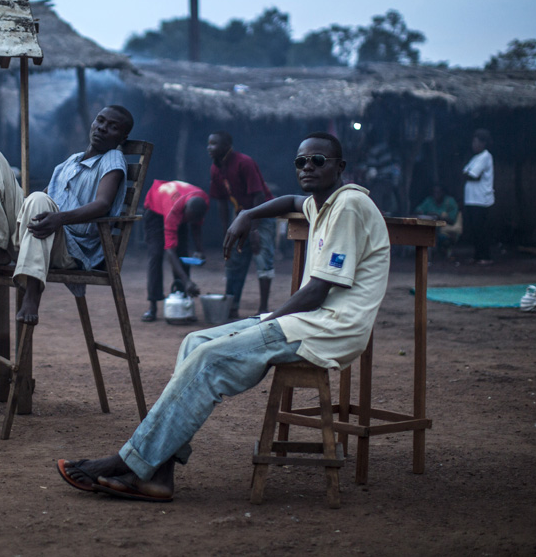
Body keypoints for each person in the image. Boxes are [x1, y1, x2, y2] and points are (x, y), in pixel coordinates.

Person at [56, 132, 390, 503]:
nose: (307, 167)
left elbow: (319, 288)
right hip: (308, 320)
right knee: (194, 341)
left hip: (330, 327)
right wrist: (248, 212)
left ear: (340, 167)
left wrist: (268, 320)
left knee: (208, 358)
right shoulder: (321, 203)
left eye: (318, 161)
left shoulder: (348, 206)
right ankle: (160, 473)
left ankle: (128, 460)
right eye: (301, 162)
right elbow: (293, 200)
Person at [0, 105, 133, 325]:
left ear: (122, 137)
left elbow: (102, 204)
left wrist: (60, 218)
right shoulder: (71, 161)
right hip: (36, 233)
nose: (103, 128)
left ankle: (33, 292)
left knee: (38, 201)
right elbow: (46, 196)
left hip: (69, 249)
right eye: (100, 121)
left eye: (113, 127)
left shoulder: (112, 159)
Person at [207, 131, 276, 318]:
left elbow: (259, 196)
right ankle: (232, 305)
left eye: (214, 144)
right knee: (234, 261)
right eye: (209, 144)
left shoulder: (244, 162)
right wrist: (226, 231)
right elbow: (221, 201)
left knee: (262, 257)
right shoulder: (216, 168)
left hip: (263, 213)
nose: (209, 148)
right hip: (241, 216)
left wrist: (254, 230)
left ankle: (263, 308)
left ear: (226, 146)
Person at [141, 180, 209, 322]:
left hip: (178, 207)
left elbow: (196, 226)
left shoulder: (202, 201)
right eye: (188, 218)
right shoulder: (173, 211)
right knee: (156, 255)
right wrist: (187, 280)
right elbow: (170, 251)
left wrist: (200, 250)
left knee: (183, 255)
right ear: (184, 212)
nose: (190, 221)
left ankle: (184, 304)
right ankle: (152, 306)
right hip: (155, 210)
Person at [462, 129, 495, 265]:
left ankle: (485, 256)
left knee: (481, 229)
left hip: (481, 199)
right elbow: (465, 172)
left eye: (476, 142)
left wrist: (468, 174)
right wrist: (467, 174)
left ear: (483, 143)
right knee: (474, 229)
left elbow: (472, 175)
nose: (473, 144)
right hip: (472, 199)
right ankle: (477, 255)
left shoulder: (486, 156)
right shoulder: (476, 157)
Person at [415, 184, 461, 258]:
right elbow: (418, 210)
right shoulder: (429, 200)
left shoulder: (450, 201)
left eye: (438, 192)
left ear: (443, 193)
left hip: (446, 230)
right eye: (434, 192)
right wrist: (425, 213)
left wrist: (439, 217)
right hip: (428, 229)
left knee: (439, 236)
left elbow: (452, 220)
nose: (436, 194)